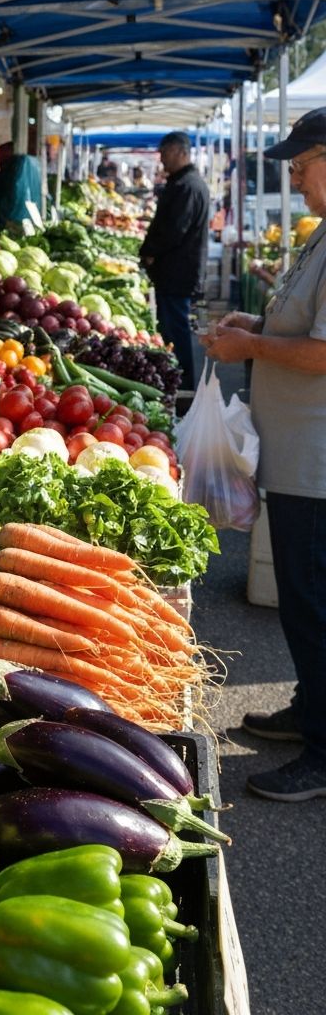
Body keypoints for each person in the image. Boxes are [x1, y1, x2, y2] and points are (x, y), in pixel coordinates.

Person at [200, 106, 326, 802]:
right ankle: (311, 709)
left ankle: (323, 753)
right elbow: (299, 327)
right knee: (306, 600)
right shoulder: (321, 234)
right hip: (299, 454)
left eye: (304, 165)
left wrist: (252, 348)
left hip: (318, 461)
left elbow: (322, 352)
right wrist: (257, 324)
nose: (296, 179)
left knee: (313, 600)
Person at [139, 131, 210, 392]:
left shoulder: (187, 186)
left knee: (177, 330)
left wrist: (150, 251)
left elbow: (174, 230)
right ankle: (178, 381)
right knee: (173, 329)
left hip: (178, 271)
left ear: (181, 152)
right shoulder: (184, 183)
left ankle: (184, 385)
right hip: (177, 270)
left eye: (165, 153)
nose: (162, 159)